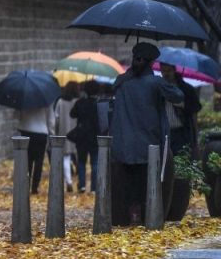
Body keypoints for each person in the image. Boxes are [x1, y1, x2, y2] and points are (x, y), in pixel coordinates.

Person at [110, 42, 184, 226]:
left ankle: (129, 215)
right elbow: (178, 96)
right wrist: (171, 79)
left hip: (124, 143)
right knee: (148, 182)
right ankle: (145, 215)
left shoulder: (121, 81)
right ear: (152, 63)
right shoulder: (156, 83)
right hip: (149, 143)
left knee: (127, 183)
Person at [159, 61, 202, 159]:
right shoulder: (159, 88)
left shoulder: (185, 89)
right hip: (163, 132)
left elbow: (194, 111)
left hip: (181, 133)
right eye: (164, 71)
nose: (166, 74)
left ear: (174, 70)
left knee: (182, 159)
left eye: (169, 70)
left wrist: (182, 104)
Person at [69, 80, 102, 192]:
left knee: (81, 161)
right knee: (95, 162)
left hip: (82, 136)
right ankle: (94, 187)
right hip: (95, 136)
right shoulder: (98, 104)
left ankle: (82, 185)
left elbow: (72, 114)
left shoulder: (80, 102)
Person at [18, 100, 54, 194]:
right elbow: (51, 120)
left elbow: (17, 115)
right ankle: (35, 186)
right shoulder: (47, 100)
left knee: (27, 160)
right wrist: (52, 134)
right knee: (39, 161)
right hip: (41, 132)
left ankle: (26, 184)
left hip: (26, 130)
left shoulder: (23, 98)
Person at [53, 82, 81, 191]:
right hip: (77, 133)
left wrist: (56, 132)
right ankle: (81, 182)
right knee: (79, 158)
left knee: (66, 157)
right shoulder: (78, 102)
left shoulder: (60, 102)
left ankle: (68, 181)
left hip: (64, 132)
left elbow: (56, 118)